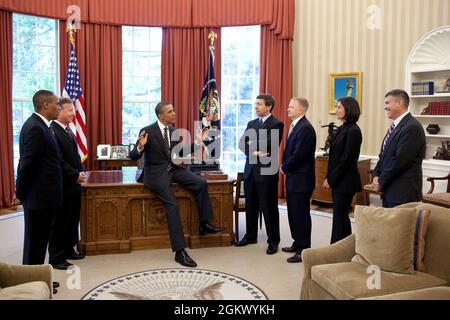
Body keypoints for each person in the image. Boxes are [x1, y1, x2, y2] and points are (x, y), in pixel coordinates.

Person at [129, 101, 223, 268]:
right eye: (170, 111)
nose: (174, 113)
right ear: (161, 115)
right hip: (156, 174)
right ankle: (180, 252)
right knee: (172, 204)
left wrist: (198, 142)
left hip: (173, 169)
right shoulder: (147, 131)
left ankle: (203, 224)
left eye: (173, 110)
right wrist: (140, 147)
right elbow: (133, 156)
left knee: (200, 183)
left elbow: (180, 153)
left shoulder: (172, 131)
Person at [15, 90, 65, 269]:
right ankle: (30, 282)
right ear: (45, 105)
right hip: (38, 198)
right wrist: (19, 192)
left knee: (40, 242)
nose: (58, 107)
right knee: (35, 244)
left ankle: (38, 277)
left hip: (44, 197)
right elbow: (27, 164)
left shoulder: (42, 125)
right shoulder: (35, 127)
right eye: (56, 103)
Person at [235, 94, 284, 255]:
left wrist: (253, 145)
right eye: (255, 104)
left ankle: (273, 241)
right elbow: (242, 143)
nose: (255, 107)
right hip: (250, 171)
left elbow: (270, 144)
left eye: (259, 104)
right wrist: (256, 151)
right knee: (251, 206)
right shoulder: (252, 123)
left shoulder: (277, 124)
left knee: (269, 208)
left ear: (269, 106)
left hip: (266, 173)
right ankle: (250, 236)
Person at [371, 89, 426, 208]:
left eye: (387, 103)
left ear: (399, 103)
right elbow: (383, 156)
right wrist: (376, 175)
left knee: (401, 227)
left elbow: (399, 161)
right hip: (391, 190)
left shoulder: (412, 127)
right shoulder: (396, 126)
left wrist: (381, 181)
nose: (385, 107)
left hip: (403, 193)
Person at [49, 98, 87, 269]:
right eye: (70, 110)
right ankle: (56, 257)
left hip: (73, 183)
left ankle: (69, 249)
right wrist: (74, 174)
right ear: (59, 111)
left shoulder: (67, 130)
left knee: (72, 219)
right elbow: (58, 160)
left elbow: (73, 156)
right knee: (60, 221)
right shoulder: (53, 131)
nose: (74, 113)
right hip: (63, 184)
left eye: (73, 110)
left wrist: (81, 171)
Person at [280, 97, 316, 263]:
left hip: (301, 179)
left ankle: (303, 249)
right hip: (295, 178)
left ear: (301, 110)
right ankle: (297, 243)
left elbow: (299, 154)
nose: (288, 109)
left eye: (291, 107)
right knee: (293, 213)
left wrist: (284, 167)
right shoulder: (296, 126)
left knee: (301, 215)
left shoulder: (305, 128)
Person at [323, 97, 362, 244]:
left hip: (346, 181)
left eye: (339, 107)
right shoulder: (342, 128)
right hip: (339, 180)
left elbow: (346, 160)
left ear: (349, 109)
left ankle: (338, 247)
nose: (336, 110)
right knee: (340, 216)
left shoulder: (354, 131)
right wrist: (328, 177)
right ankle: (341, 247)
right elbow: (333, 157)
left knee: (340, 216)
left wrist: (331, 179)